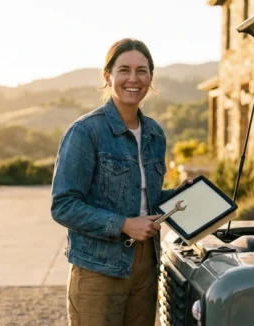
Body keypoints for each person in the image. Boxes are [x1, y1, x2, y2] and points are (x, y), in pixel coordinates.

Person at [50, 38, 190, 326]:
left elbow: (142, 197)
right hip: (98, 267)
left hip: (146, 264)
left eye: (142, 71)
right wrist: (124, 224)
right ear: (108, 76)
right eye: (124, 69)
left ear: (151, 78)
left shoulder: (154, 133)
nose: (133, 79)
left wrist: (182, 195)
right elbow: (63, 205)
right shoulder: (85, 132)